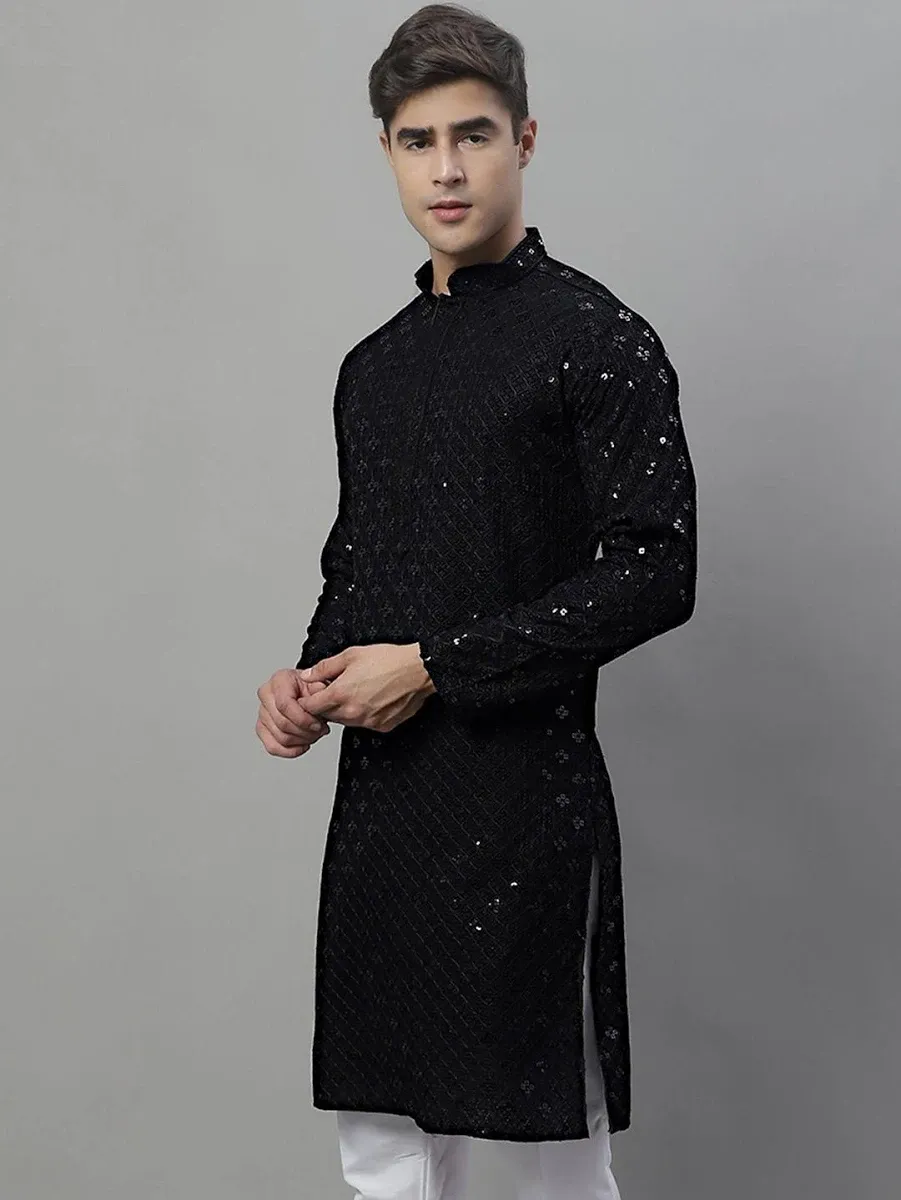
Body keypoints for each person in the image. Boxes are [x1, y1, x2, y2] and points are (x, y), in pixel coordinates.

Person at [255, 4, 697, 1196]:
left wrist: (435, 667)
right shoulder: (374, 366)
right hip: (384, 809)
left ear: (524, 140)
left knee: (551, 1158)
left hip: (524, 809)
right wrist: (309, 678)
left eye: (472, 135)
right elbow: (361, 563)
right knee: (382, 1152)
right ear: (387, 152)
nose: (445, 168)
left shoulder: (597, 338)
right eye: (417, 141)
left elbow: (655, 570)